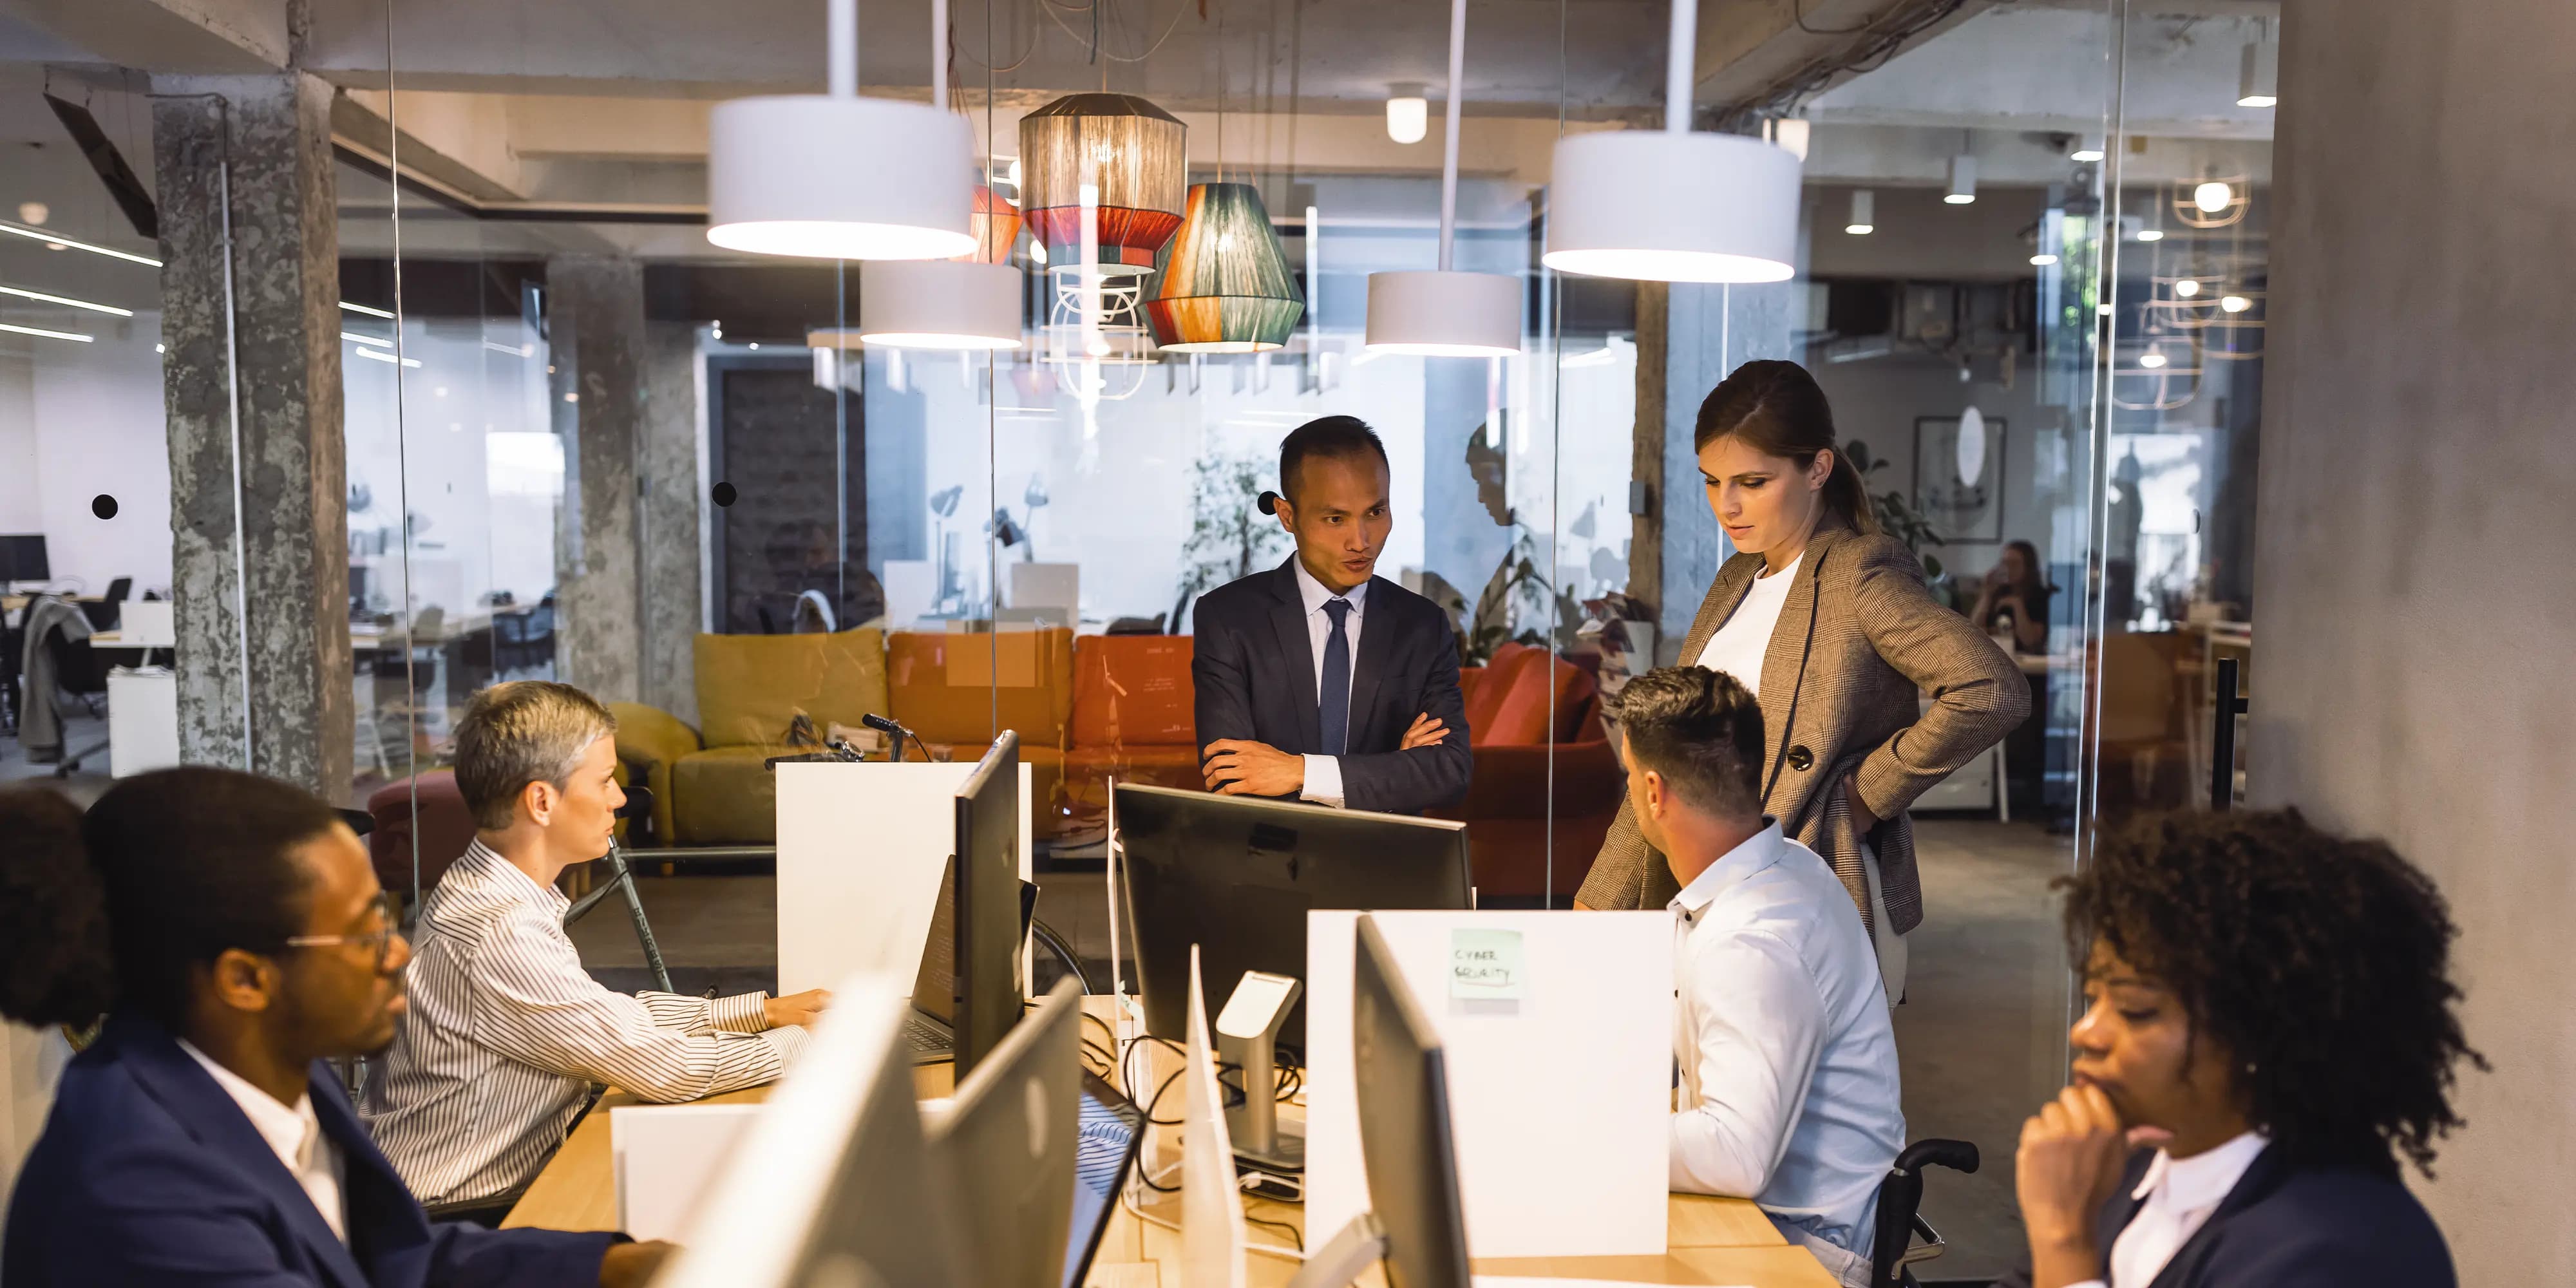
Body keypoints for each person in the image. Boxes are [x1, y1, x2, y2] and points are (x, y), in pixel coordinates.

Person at [0, 768, 669, 1287]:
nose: (398, 953)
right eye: (363, 934)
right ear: (245, 979)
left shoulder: (277, 1067)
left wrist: (612, 1267)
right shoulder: (141, 1190)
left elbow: (391, 1262)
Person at [1576, 361, 2027, 1001]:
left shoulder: (1858, 573)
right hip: (1706, 892)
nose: (1727, 505)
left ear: (1817, 469)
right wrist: (1599, 903)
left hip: (1808, 888)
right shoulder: (1735, 580)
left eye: (1753, 482)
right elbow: (1664, 758)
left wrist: (1864, 795)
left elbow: (1991, 689)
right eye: (1713, 482)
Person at [361, 681, 831, 1211]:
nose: (620, 799)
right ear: (542, 801)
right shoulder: (501, 932)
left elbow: (609, 1017)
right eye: (606, 780)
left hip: (491, 1188)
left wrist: (764, 1012)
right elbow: (665, 1069)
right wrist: (817, 1045)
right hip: (459, 1214)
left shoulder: (495, 892)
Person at [2008, 809, 2472, 1288]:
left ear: (2258, 1032)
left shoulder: (2343, 1252)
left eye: (2135, 1010)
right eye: (2093, 999)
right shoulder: (2125, 1168)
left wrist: (2063, 1241)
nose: (2085, 1033)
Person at [1610, 665, 1903, 1287]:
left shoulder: (1751, 940)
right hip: (1775, 1215)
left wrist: (1575, 1130)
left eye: (1628, 776)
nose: (1629, 791)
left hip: (1804, 1248)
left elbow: (1735, 1154)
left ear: (1655, 792)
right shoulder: (1785, 865)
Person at [1192, 415, 1472, 815]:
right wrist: (1393, 770)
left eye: (1375, 512)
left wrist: (1299, 772)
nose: (1361, 541)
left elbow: (1448, 772)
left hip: (1383, 851)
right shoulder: (1229, 619)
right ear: (1288, 517)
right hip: (1272, 850)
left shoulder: (1422, 626)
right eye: (1335, 519)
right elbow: (1231, 777)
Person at [1971, 539, 2052, 654]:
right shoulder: (1997, 593)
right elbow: (1973, 631)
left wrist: (2017, 605)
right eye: (2005, 563)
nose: (2008, 568)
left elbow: (2030, 641)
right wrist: (1986, 594)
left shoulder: (2040, 596)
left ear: (2028, 567)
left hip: (2027, 659)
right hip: (1994, 655)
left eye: (2015, 564)